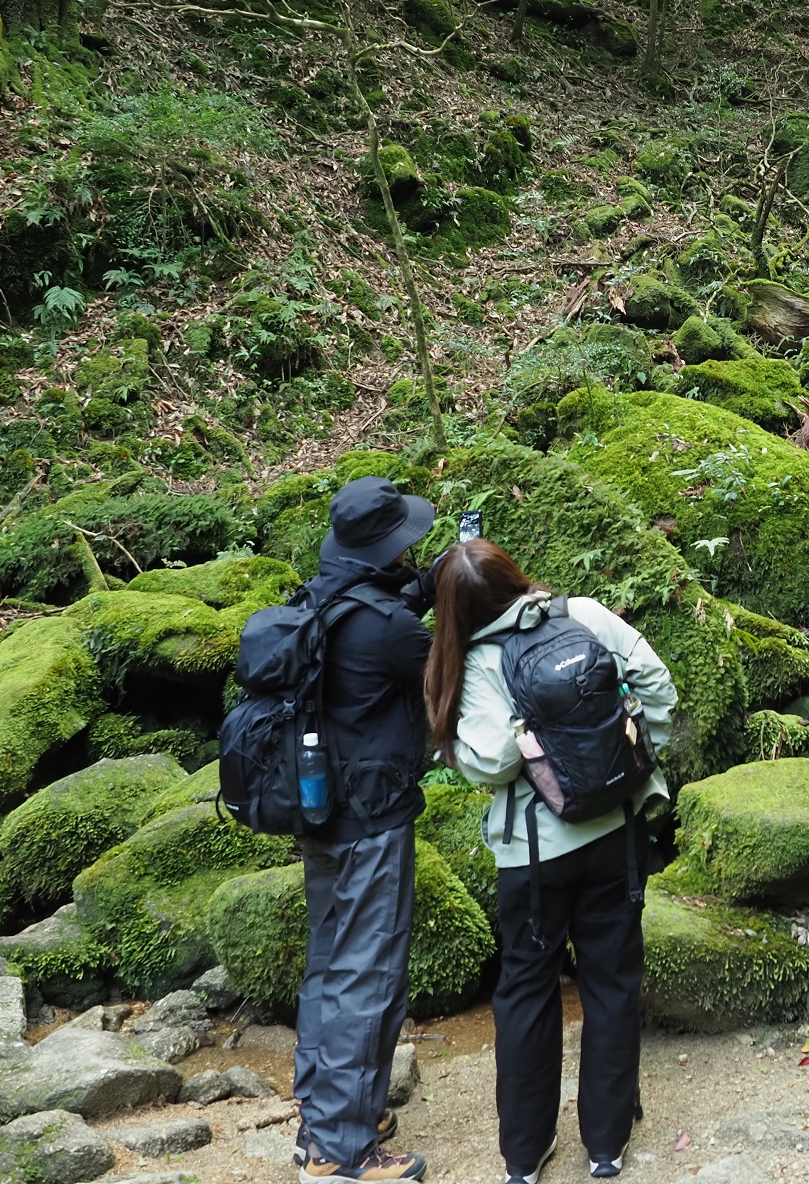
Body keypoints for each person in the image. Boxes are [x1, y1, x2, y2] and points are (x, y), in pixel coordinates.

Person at [422, 539, 676, 1184]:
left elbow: (485, 763)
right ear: (515, 572)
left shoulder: (477, 661)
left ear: (452, 609)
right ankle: (607, 1146)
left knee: (527, 993)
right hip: (615, 836)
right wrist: (631, 761)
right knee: (613, 983)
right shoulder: (584, 614)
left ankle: (525, 1155)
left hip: (533, 856)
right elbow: (655, 683)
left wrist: (529, 732)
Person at [293, 477, 439, 1184]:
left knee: (330, 962)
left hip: (320, 812)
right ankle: (343, 1152)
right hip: (372, 822)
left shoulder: (322, 597)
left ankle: (320, 1121)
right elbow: (442, 675)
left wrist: (423, 590)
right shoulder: (390, 629)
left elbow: (380, 618)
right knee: (369, 974)